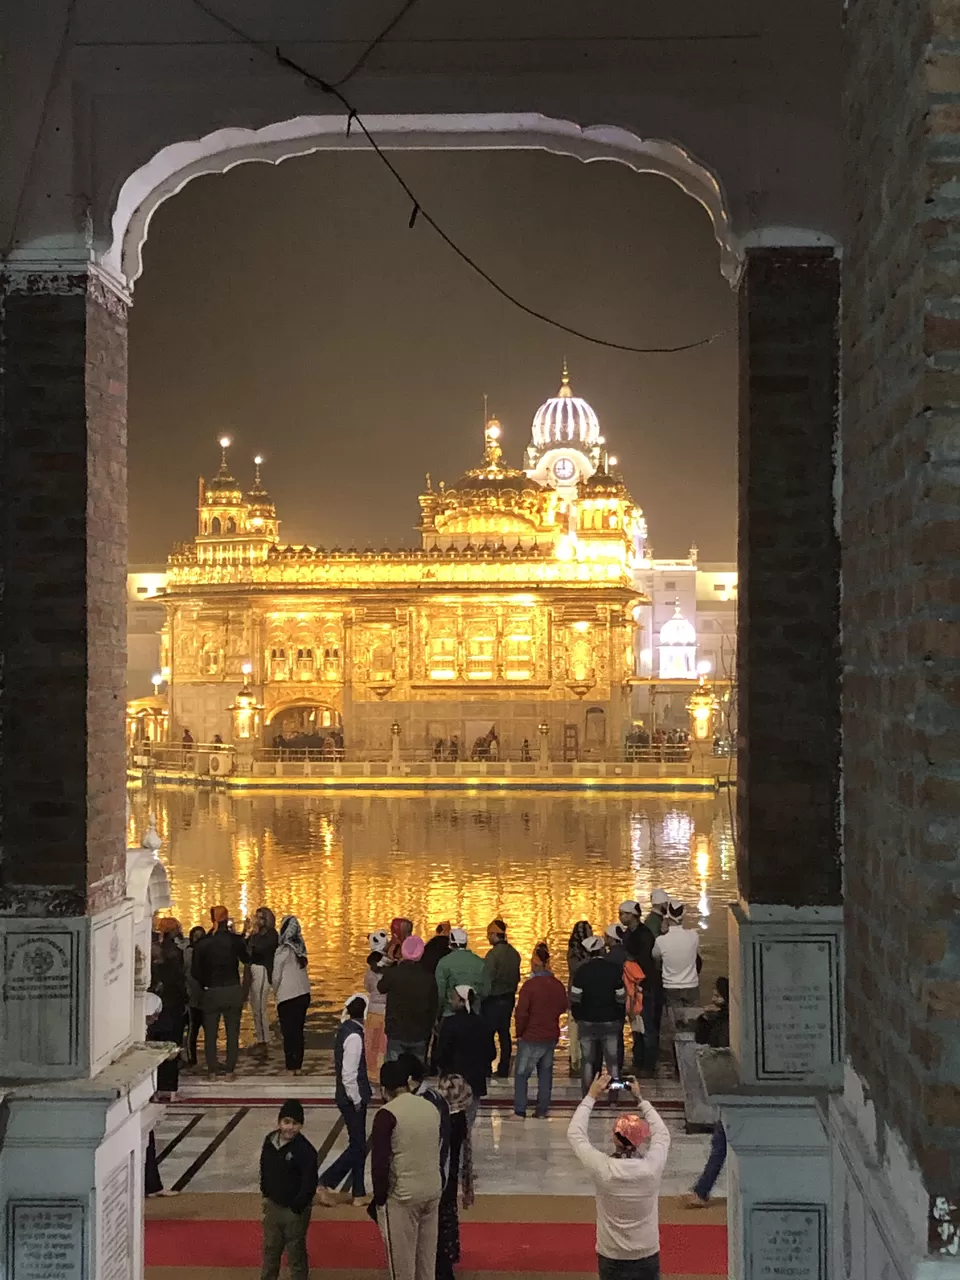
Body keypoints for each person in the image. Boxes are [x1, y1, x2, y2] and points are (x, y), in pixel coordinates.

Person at [567, 1068, 671, 1280]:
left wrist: (591, 1096)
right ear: (641, 1138)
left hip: (612, 1254)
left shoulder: (604, 1169)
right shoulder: (652, 1168)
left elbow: (575, 1133)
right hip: (646, 1252)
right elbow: (663, 1134)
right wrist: (640, 1099)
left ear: (614, 1138)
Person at [371, 1058, 443, 1280]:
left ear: (383, 1089)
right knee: (426, 1265)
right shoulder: (431, 1107)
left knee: (402, 1269)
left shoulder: (387, 1114)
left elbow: (380, 1162)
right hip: (432, 1190)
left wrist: (381, 1199)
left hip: (403, 1197)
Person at [318, 994, 372, 1207]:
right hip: (352, 1097)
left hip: (349, 1095)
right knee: (357, 1146)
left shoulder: (345, 1030)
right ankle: (326, 1181)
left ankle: (359, 1192)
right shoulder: (355, 1037)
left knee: (357, 1144)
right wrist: (357, 1098)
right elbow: (349, 1073)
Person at [259, 1100, 318, 1280]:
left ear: (301, 1125)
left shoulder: (306, 1150)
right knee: (270, 1250)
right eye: (286, 1122)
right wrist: (266, 1194)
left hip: (294, 1211)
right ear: (279, 1122)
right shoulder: (269, 1141)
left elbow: (310, 1182)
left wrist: (297, 1207)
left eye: (295, 1123)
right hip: (272, 1206)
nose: (290, 1127)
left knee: (295, 1253)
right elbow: (264, 1168)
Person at [686, 978, 730, 1209]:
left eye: (717, 994)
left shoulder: (729, 1020)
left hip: (729, 1088)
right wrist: (704, 1018)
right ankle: (701, 1190)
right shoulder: (718, 1018)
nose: (713, 998)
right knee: (720, 1142)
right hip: (724, 1088)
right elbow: (701, 1039)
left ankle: (702, 1191)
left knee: (720, 1143)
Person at [191, 904, 249, 1078]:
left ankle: (212, 1070)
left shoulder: (203, 944)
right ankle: (230, 1069)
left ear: (212, 920)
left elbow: (195, 971)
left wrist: (205, 985)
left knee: (211, 1033)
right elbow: (246, 959)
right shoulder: (235, 941)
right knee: (233, 1032)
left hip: (212, 990)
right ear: (227, 918)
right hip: (232, 989)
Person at [513, 943, 568, 1118]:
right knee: (545, 1074)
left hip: (531, 1036)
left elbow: (521, 1013)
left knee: (522, 1074)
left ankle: (520, 1110)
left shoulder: (530, 986)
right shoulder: (557, 985)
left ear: (535, 964)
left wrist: (519, 1033)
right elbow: (563, 1007)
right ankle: (542, 1109)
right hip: (550, 1036)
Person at [570, 935, 626, 1095]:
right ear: (602, 949)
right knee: (613, 1063)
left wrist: (579, 1016)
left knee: (587, 1061)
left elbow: (575, 998)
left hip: (587, 1021)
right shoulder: (614, 969)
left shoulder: (581, 971)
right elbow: (621, 997)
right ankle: (614, 1097)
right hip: (610, 1020)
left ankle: (589, 1096)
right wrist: (619, 1015)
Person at [433, 1072, 475, 1280]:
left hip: (438, 1176)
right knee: (446, 1215)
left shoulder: (441, 1116)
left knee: (438, 1218)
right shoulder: (458, 1119)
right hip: (447, 1175)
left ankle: (439, 1261)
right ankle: (446, 1258)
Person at [437, 986, 495, 1128]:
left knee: (449, 1121)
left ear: (462, 1001)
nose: (451, 1001)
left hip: (453, 1082)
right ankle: (465, 1147)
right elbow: (491, 1052)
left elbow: (441, 1053)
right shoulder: (483, 1023)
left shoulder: (450, 1023)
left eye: (454, 998)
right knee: (468, 1122)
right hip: (475, 1080)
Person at [380, 935, 438, 1063]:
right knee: (416, 1073)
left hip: (396, 1031)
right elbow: (433, 1006)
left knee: (394, 1072)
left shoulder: (394, 973)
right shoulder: (428, 977)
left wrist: (390, 961)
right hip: (420, 1033)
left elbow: (381, 987)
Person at [273, 915, 311, 1075]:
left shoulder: (282, 951)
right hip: (303, 994)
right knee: (298, 1031)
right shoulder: (301, 948)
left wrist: (275, 993)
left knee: (288, 1033)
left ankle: (291, 1067)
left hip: (287, 997)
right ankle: (298, 1065)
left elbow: (276, 977)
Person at [483, 918, 521, 1078]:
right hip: (508, 999)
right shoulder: (514, 954)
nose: (487, 938)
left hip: (493, 1001)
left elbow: (487, 981)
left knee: (487, 1035)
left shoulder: (492, 956)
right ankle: (504, 1068)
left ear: (494, 935)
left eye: (488, 935)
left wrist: (481, 999)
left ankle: (486, 1067)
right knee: (504, 1034)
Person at [652, 900, 701, 1009]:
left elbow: (655, 957)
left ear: (667, 917)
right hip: (691, 985)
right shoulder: (694, 936)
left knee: (674, 1023)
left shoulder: (661, 941)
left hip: (670, 987)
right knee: (693, 1021)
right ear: (683, 916)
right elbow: (696, 955)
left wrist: (664, 931)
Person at [435, 929, 490, 1020]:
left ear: (450, 943)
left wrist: (437, 1016)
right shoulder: (480, 963)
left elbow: (440, 994)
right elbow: (486, 991)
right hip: (474, 1014)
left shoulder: (443, 963)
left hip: (449, 1015)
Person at [247, 906, 279, 1056]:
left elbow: (259, 949)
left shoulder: (271, 935)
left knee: (260, 1008)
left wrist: (253, 936)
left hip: (263, 971)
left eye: (261, 918)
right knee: (255, 1008)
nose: (258, 920)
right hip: (254, 970)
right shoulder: (257, 934)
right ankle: (260, 1038)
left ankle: (264, 1040)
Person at [566, 921, 594, 1075]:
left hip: (582, 993)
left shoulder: (577, 952)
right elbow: (576, 969)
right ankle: (577, 1062)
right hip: (579, 994)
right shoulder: (575, 953)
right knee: (577, 1030)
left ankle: (581, 1060)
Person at [183, 925, 207, 1066]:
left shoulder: (207, 952)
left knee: (209, 1029)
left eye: (200, 936)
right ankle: (192, 1058)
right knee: (193, 1029)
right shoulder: (188, 953)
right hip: (192, 996)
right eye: (195, 936)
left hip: (205, 996)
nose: (198, 939)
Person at [363, 948, 390, 1075]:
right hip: (384, 1010)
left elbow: (368, 988)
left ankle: (372, 1070)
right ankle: (379, 1069)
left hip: (374, 1010)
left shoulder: (369, 974)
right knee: (382, 1043)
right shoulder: (389, 972)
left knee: (373, 1042)